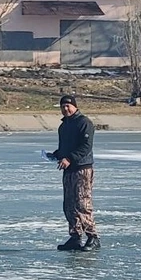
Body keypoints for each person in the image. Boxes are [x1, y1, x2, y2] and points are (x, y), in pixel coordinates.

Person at [47, 95, 99, 251]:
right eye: (63, 106)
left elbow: (86, 147)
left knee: (82, 203)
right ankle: (75, 236)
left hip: (82, 168)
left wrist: (69, 158)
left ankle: (93, 236)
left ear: (75, 107)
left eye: (68, 106)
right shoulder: (63, 127)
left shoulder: (84, 123)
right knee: (69, 204)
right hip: (68, 169)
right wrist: (57, 154)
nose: (65, 109)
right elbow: (65, 147)